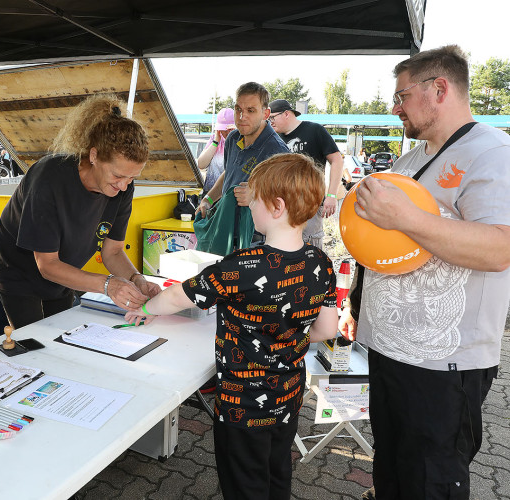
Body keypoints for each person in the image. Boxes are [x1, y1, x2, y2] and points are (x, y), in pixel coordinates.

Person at [339, 45, 510, 500]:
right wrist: (359, 304)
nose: (395, 107)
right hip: (390, 350)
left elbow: (500, 249)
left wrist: (408, 219)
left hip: (443, 364)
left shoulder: (493, 153)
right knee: (392, 471)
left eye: (402, 95)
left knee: (430, 480)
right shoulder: (410, 161)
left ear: (439, 89)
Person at [126, 153, 338, 500]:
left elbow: (180, 296)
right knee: (275, 471)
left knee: (244, 483)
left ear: (276, 206)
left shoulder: (243, 266)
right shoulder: (321, 263)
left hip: (242, 405)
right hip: (288, 398)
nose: (249, 206)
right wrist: (291, 334)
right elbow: (327, 329)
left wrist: (148, 306)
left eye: (253, 199)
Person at [0, 94, 161, 330]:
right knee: (34, 342)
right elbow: (47, 265)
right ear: (94, 156)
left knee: (63, 336)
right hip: (19, 272)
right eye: (118, 176)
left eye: (132, 177)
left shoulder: (124, 188)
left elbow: (112, 252)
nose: (124, 186)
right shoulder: (49, 179)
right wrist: (108, 285)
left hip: (65, 271)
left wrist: (137, 279)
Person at [197, 83, 289, 219]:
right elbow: (228, 173)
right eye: (238, 109)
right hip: (227, 226)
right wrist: (208, 200)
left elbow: (290, 199)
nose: (242, 116)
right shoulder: (232, 138)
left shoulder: (278, 151)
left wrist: (258, 197)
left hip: (256, 236)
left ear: (266, 113)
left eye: (250, 110)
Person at [268, 99, 344, 249]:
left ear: (287, 114)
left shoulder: (314, 130)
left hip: (310, 205)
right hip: (283, 207)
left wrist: (332, 195)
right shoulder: (274, 139)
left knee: (310, 249)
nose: (270, 122)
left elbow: (337, 160)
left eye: (272, 117)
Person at [196, 107, 235, 194]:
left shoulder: (241, 140)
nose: (226, 132)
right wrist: (216, 141)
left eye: (230, 129)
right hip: (210, 193)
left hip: (229, 194)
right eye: (223, 129)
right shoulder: (215, 140)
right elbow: (201, 164)